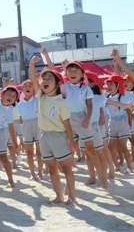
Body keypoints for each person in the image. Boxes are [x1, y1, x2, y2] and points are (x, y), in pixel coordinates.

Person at [42, 48, 107, 189]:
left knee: (91, 151)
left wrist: (87, 119)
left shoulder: (86, 89)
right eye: (69, 70)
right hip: (66, 120)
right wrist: (46, 55)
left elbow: (89, 105)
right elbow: (53, 69)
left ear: (82, 75)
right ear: (65, 73)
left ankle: (102, 179)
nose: (72, 73)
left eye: (76, 71)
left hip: (82, 119)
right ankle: (68, 186)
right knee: (68, 153)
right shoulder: (64, 85)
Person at [29, 56, 76, 205]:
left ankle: (72, 196)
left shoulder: (62, 102)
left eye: (49, 78)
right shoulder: (41, 97)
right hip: (44, 136)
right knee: (51, 169)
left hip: (59, 136)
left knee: (66, 168)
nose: (45, 80)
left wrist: (71, 141)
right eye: (43, 78)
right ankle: (59, 196)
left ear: (57, 84)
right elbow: (32, 78)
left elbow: (67, 124)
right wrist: (31, 64)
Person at [17, 79, 43, 180]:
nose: (28, 88)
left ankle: (40, 172)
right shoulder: (20, 105)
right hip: (26, 126)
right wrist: (22, 132)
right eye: (25, 86)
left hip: (38, 124)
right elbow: (21, 119)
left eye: (30, 86)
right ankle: (32, 173)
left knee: (39, 152)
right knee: (29, 153)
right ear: (22, 89)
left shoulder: (38, 100)